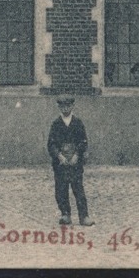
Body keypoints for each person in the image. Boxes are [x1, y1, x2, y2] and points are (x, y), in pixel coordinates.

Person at [46, 94, 93, 226]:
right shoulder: (56, 124)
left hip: (75, 163)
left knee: (78, 188)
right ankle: (65, 214)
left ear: (72, 106)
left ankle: (84, 216)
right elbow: (51, 144)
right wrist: (59, 156)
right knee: (61, 189)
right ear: (59, 107)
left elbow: (83, 141)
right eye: (62, 106)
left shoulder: (78, 123)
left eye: (68, 106)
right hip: (60, 164)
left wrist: (77, 155)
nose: (65, 108)